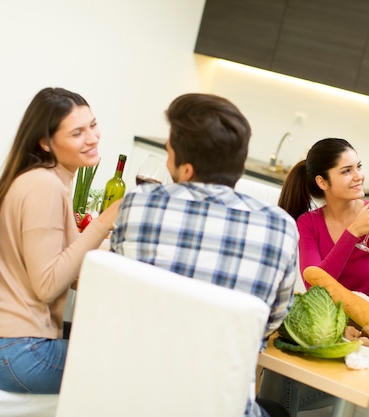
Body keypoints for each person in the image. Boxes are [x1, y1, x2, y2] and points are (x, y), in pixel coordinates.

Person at [110, 93, 298, 417]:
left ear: (186, 168)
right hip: (217, 406)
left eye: (168, 151)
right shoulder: (281, 227)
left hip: (127, 396)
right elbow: (271, 320)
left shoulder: (137, 203)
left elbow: (120, 288)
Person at [0, 87, 121, 394]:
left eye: (92, 125)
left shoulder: (35, 178)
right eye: (77, 133)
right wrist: (105, 221)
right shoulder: (44, 186)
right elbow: (48, 284)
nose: (92, 138)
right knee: (128, 368)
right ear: (45, 143)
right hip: (15, 352)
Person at [258, 138, 369, 416]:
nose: (359, 176)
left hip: (368, 338)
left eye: (359, 167)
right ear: (322, 182)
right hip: (326, 331)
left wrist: (368, 308)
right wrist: (351, 235)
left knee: (283, 390)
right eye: (346, 171)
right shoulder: (308, 223)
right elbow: (313, 283)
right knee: (276, 373)